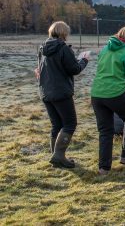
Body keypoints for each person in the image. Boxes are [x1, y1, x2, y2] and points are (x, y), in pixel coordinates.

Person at [38, 21, 88, 168]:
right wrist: (84, 60)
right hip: (61, 92)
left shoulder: (42, 47)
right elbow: (74, 69)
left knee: (56, 125)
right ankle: (59, 156)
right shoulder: (63, 48)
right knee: (70, 123)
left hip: (45, 91)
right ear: (63, 33)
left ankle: (55, 156)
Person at [91, 26, 125, 175]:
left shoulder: (105, 49)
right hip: (117, 93)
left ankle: (104, 168)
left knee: (105, 130)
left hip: (97, 94)